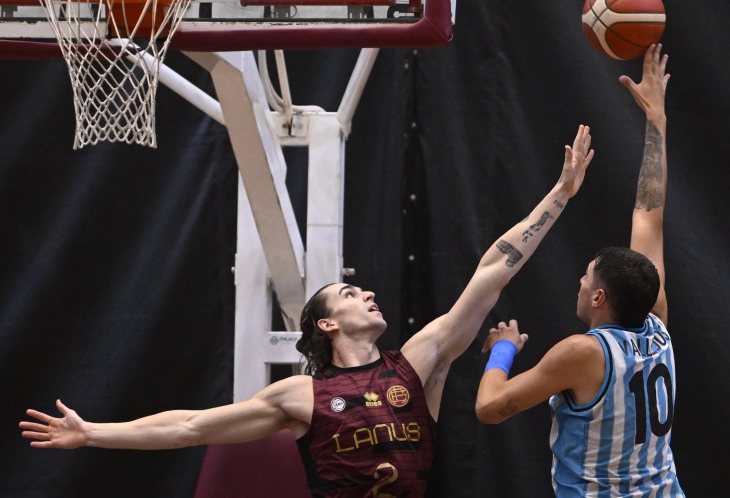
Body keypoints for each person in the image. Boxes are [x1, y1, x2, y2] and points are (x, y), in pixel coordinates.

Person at [19, 126, 594, 498]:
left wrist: (560, 196)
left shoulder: (417, 362)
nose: (367, 294)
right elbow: (188, 427)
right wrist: (92, 433)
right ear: (326, 323)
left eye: (363, 291)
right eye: (349, 293)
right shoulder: (300, 396)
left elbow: (494, 270)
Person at [475, 44, 683, 497]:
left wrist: (502, 350)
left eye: (587, 277)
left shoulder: (583, 353)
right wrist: (657, 119)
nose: (581, 281)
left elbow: (489, 408)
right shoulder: (658, 325)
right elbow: (649, 214)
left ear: (598, 298)